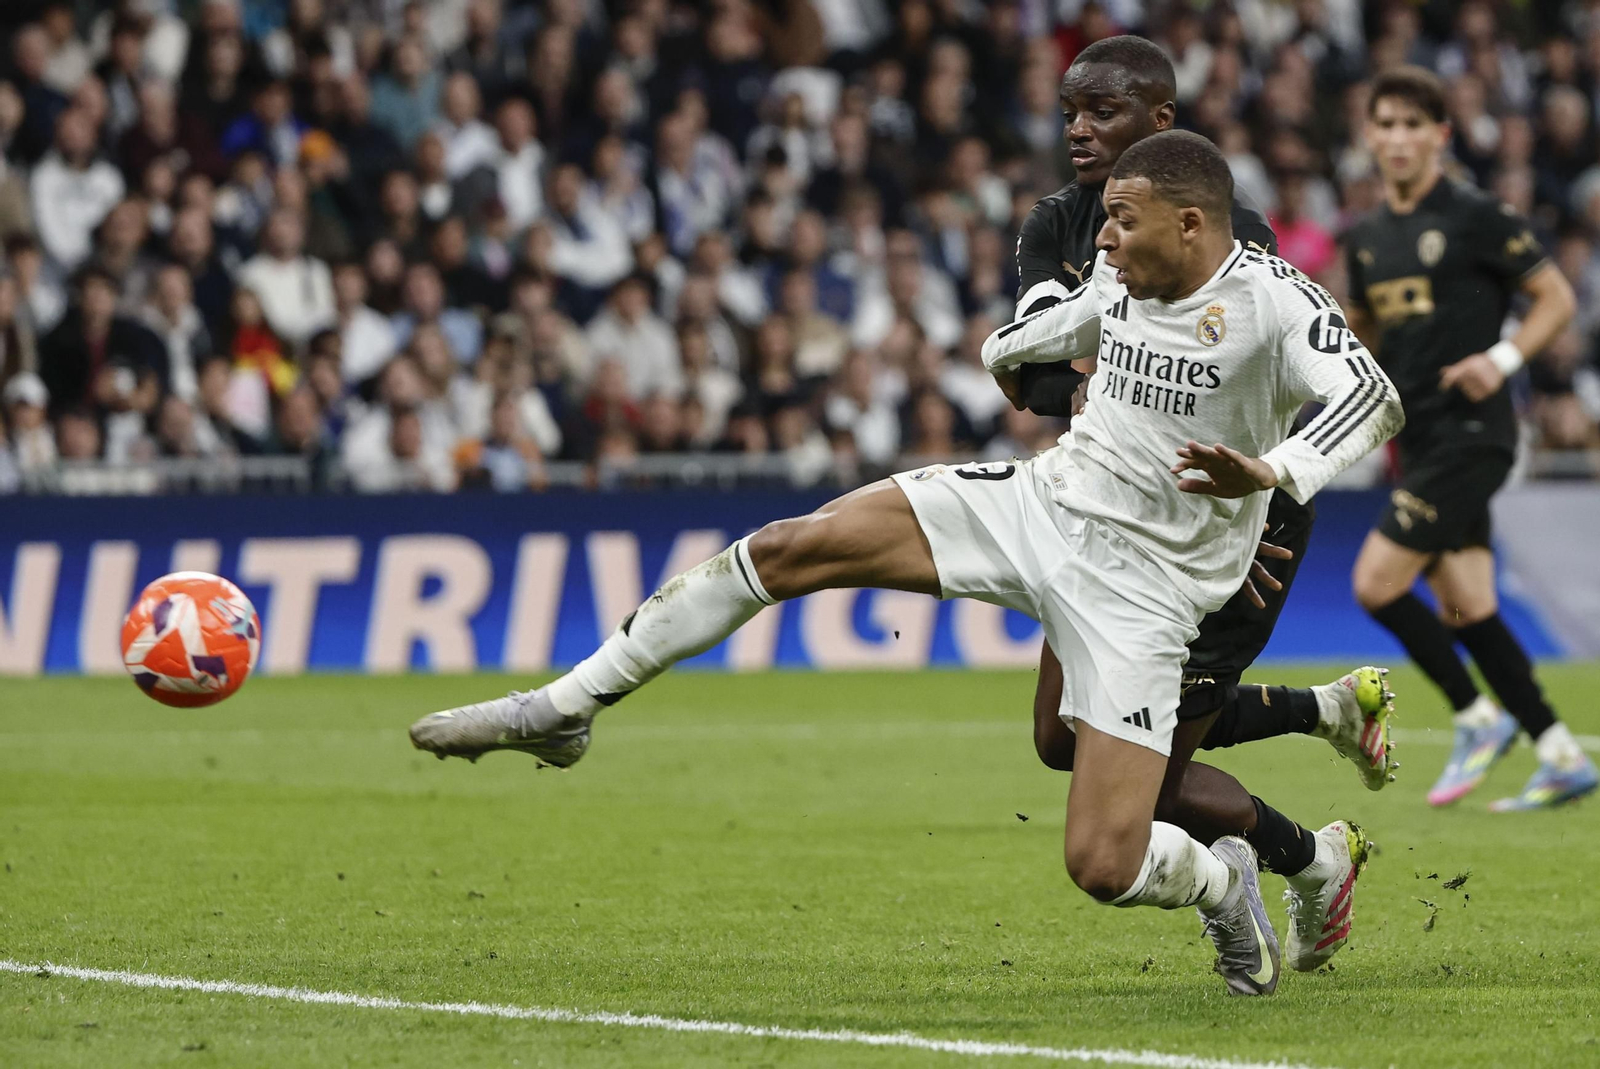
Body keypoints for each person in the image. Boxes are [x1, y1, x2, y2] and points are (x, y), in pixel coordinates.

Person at [408, 131, 1404, 997]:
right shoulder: (1125, 273)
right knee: (794, 546)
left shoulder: (1274, 301)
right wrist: (1007, 344)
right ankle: (569, 706)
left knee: (1101, 860)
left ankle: (1227, 885)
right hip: (1042, 504)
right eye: (1104, 219)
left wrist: (1274, 469)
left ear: (1192, 225)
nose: (1103, 238)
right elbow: (1076, 322)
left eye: (1124, 221)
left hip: (1145, 595)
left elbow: (1371, 399)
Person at [1009, 35, 1394, 972]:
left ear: (1161, 123)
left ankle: (1309, 864)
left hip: (1225, 516)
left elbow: (1279, 383)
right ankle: (1325, 718)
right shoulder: (1052, 223)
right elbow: (1026, 375)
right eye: (1069, 112)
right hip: (1108, 506)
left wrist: (1259, 496)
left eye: (1102, 112)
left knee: (1143, 777)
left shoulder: (1225, 228)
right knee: (1062, 738)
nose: (1079, 131)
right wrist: (1084, 387)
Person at [1343, 67, 1598, 811]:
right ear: (1368, 135)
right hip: (1415, 441)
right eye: (1383, 123)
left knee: (1374, 584)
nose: (1395, 138)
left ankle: (1474, 714)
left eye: (1411, 124)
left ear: (1439, 136)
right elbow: (1360, 334)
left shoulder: (1473, 213)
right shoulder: (1366, 239)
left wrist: (1504, 358)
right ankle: (1558, 751)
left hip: (1472, 434)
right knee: (1470, 609)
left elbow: (1554, 295)